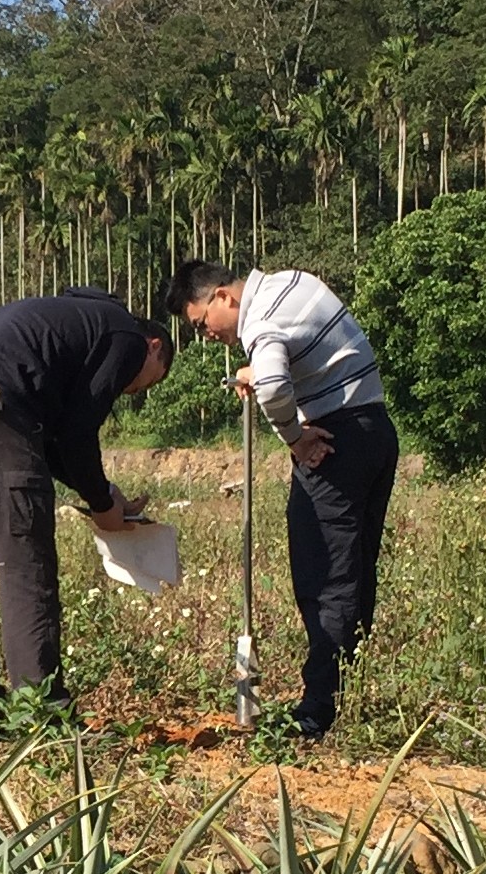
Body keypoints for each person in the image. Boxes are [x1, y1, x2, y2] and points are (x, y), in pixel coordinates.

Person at [162, 260, 397, 740]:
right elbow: (300, 354)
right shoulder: (292, 284)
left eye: (201, 323)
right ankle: (347, 692)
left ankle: (317, 711)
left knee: (323, 575)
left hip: (335, 442)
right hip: (373, 430)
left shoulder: (261, 317)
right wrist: (262, 365)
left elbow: (271, 385)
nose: (206, 335)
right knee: (354, 570)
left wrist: (296, 439)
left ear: (223, 297)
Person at [0, 287, 171, 713]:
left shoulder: (75, 323)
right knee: (25, 566)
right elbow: (78, 435)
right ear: (154, 347)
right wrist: (105, 507)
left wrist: (104, 495)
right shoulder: (126, 336)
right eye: (150, 379)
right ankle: (41, 713)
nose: (134, 390)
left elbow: (52, 448)